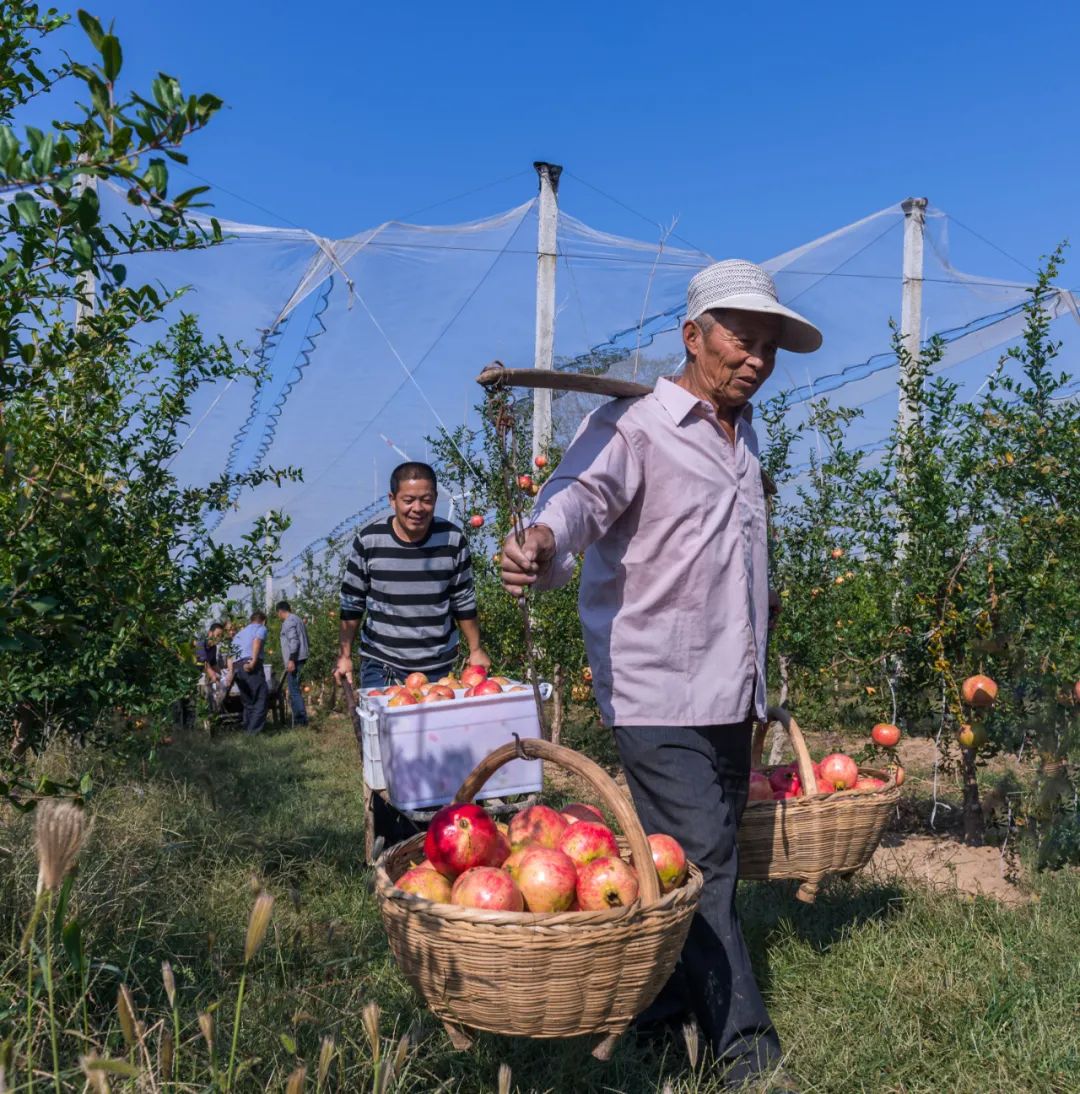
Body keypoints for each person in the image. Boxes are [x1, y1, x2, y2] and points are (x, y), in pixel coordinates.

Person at [500, 259, 821, 1090]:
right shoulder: (634, 425)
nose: (756, 360)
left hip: (730, 689)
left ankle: (654, 1015)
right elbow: (577, 500)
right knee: (709, 867)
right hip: (657, 687)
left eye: (769, 348)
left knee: (679, 857)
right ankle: (744, 1048)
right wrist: (540, 542)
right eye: (741, 342)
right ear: (692, 336)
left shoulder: (742, 436)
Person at [334, 461, 490, 691]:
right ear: (392, 499)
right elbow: (352, 602)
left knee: (438, 728)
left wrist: (476, 649)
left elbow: (463, 599)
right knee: (386, 727)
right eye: (408, 500)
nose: (417, 508)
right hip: (383, 665)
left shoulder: (452, 540)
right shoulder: (369, 541)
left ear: (435, 499)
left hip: (438, 667)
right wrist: (344, 654)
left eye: (426, 500)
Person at [232, 610, 269, 735]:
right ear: (263, 621)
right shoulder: (261, 628)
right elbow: (257, 641)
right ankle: (253, 733)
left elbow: (230, 654)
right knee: (261, 697)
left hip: (237, 667)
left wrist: (232, 672)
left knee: (248, 700)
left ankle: (247, 728)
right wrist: (253, 661)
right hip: (250, 664)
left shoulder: (240, 633)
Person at [276, 600, 310, 726]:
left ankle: (301, 721)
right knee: (296, 689)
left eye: (277, 614)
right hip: (302, 657)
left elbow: (294, 641)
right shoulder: (298, 619)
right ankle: (301, 720)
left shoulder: (288, 621)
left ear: (280, 612)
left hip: (295, 659)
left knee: (294, 690)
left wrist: (291, 659)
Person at [194, 621, 225, 713]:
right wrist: (213, 676)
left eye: (221, 636)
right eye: (217, 635)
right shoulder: (201, 644)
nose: (219, 638)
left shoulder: (213, 647)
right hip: (193, 677)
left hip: (202, 677)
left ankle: (212, 715)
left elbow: (213, 664)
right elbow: (205, 664)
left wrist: (223, 675)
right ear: (210, 633)